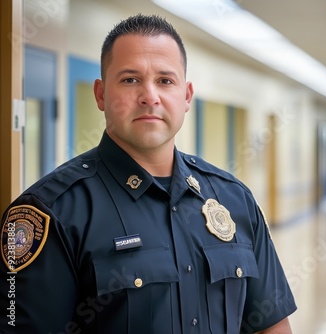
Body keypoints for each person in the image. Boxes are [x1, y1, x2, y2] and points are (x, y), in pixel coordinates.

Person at [0, 14, 296, 333]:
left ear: (186, 96)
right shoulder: (51, 213)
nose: (150, 96)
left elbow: (272, 324)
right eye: (130, 79)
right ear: (100, 94)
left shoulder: (234, 198)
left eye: (165, 81)